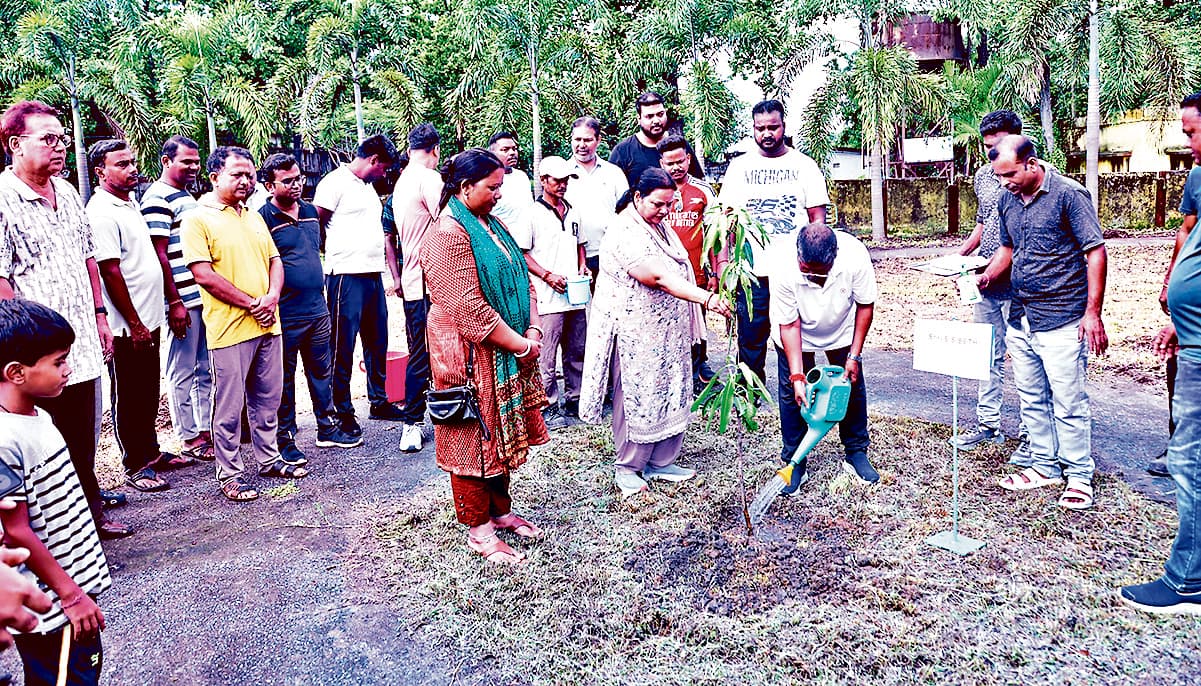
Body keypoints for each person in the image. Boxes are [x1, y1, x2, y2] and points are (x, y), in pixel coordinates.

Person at [0, 100, 130, 539]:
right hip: (36, 355)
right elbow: (2, 282)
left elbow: (88, 259)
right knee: (41, 445)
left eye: (62, 139)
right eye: (49, 139)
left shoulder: (70, 192)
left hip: (82, 343)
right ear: (16, 145)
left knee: (83, 437)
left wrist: (98, 316)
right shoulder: (3, 199)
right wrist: (23, 345)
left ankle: (90, 520)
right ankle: (52, 534)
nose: (60, 147)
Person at [421, 148, 549, 565]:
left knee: (499, 434)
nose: (498, 194)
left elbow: (522, 278)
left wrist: (530, 329)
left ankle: (501, 511)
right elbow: (468, 310)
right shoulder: (446, 234)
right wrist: (520, 345)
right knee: (472, 437)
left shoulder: (492, 224)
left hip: (507, 348)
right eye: (492, 187)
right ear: (465, 187)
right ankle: (479, 529)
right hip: (468, 358)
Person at [580, 168, 732, 497]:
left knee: (672, 390)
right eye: (658, 204)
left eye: (669, 204)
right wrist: (707, 298)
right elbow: (658, 277)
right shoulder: (624, 231)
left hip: (668, 331)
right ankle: (629, 467)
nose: (665, 211)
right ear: (637, 197)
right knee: (638, 398)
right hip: (635, 333)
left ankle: (662, 460)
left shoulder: (658, 226)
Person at [977, 135, 1108, 511]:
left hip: (1063, 317)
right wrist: (987, 276)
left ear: (1031, 164)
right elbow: (1007, 249)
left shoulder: (1069, 195)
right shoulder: (1007, 200)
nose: (1004, 183)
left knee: (1068, 402)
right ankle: (1044, 465)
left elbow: (1095, 252)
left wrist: (1092, 312)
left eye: (1010, 175)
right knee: (1032, 399)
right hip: (1021, 317)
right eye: (999, 177)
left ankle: (1079, 475)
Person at [182, 146, 308, 503]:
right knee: (229, 405)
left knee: (268, 399)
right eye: (237, 174)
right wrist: (253, 304)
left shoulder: (252, 216)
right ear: (214, 177)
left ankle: (268, 460)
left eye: (250, 174)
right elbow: (203, 275)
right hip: (229, 328)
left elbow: (275, 261)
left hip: (269, 323)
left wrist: (271, 299)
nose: (246, 180)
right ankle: (230, 474)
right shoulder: (198, 218)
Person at [0, 299, 112, 686]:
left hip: (73, 589)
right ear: (16, 373)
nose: (68, 370)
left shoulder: (38, 415)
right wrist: (71, 596)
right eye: (58, 362)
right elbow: (16, 530)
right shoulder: (4, 439)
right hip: (54, 608)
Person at [1120, 91, 1201, 614]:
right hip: (1193, 339)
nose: (1188, 144)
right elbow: (1189, 239)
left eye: (1194, 132)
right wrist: (1183, 317)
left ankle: (1187, 581)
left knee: (1190, 463)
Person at [89, 139, 186, 496]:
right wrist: (134, 322)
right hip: (126, 325)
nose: (132, 169)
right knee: (128, 392)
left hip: (147, 319)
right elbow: (110, 271)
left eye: (131, 162)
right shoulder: (101, 211)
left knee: (147, 388)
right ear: (100, 171)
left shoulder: (129, 205)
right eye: (121, 164)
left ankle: (152, 452)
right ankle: (135, 464)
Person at [259, 153, 361, 466]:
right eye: (286, 181)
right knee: (284, 377)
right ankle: (285, 436)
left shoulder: (308, 211)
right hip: (286, 314)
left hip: (318, 309)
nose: (296, 185)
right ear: (269, 185)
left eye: (298, 178)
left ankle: (326, 427)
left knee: (321, 371)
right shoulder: (262, 218)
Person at [717, 99, 830, 383]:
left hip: (794, 271)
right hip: (751, 273)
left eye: (773, 127)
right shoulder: (739, 168)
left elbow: (818, 218)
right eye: (760, 128)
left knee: (797, 338)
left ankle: (800, 391)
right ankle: (749, 394)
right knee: (750, 340)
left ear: (784, 126)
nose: (767, 134)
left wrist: (814, 265)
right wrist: (723, 264)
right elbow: (727, 221)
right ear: (753, 129)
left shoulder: (804, 166)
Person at [770, 223, 880, 488]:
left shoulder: (854, 256)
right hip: (796, 334)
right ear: (798, 254)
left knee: (851, 386)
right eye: (805, 268)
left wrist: (854, 355)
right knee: (792, 393)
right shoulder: (782, 262)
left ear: (834, 257)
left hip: (841, 329)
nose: (810, 275)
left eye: (818, 271)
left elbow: (865, 305)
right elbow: (789, 324)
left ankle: (855, 453)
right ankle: (794, 461)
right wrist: (797, 376)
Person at [950, 110, 1031, 463]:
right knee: (986, 355)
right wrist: (958, 257)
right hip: (984, 279)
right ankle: (987, 425)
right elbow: (984, 223)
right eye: (987, 148)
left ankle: (1031, 433)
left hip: (1022, 283)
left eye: (997, 144)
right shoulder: (984, 177)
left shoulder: (1033, 175)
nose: (992, 153)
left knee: (1029, 360)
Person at [314, 134, 403, 440]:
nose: (384, 174)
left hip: (372, 275)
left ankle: (379, 400)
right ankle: (342, 410)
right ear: (373, 160)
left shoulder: (367, 188)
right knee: (342, 347)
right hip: (345, 275)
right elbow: (317, 223)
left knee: (377, 341)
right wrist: (334, 255)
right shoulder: (334, 182)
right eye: (384, 168)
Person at [142, 135, 214, 463]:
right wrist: (174, 302)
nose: (193, 167)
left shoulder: (184, 196)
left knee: (203, 368)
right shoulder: (157, 197)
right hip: (182, 300)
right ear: (166, 161)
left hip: (200, 297)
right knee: (182, 369)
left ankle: (203, 430)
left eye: (196, 162)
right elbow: (159, 254)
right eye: (186, 161)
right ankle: (188, 437)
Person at [1146, 96, 1201, 478]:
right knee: (1178, 365)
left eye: (1192, 133)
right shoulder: (1198, 174)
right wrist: (1172, 282)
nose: (1188, 143)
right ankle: (1179, 443)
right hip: (1191, 317)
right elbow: (1187, 229)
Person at [512, 156, 587, 429]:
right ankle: (548, 404)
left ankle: (576, 397)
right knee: (546, 354)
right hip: (547, 295)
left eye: (566, 180)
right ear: (543, 180)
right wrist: (547, 275)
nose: (563, 185)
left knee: (577, 347)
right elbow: (521, 253)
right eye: (557, 180)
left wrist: (581, 266)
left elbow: (580, 243)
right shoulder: (532, 213)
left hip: (574, 293)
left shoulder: (573, 210)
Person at [390, 123, 443, 453]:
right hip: (430, 283)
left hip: (415, 282)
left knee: (421, 353)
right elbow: (449, 221)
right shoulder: (428, 179)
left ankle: (422, 420)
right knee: (425, 355)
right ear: (435, 150)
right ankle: (411, 424)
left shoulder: (402, 182)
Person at [658, 135, 718, 388]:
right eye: (669, 163)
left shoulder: (703, 191)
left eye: (680, 161)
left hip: (697, 274)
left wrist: (715, 273)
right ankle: (669, 377)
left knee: (697, 324)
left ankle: (698, 373)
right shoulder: (654, 190)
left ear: (688, 159)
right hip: (661, 276)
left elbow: (716, 234)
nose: (676, 167)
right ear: (661, 163)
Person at [563, 116, 627, 282]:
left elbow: (626, 213)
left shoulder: (613, 173)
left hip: (609, 254)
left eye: (588, 140)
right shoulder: (561, 173)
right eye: (577, 139)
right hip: (572, 256)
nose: (582, 145)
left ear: (598, 140)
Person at [487, 131, 533, 233]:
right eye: (505, 150)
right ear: (492, 154)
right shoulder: (487, 181)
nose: (512, 153)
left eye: (514, 149)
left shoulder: (522, 177)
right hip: (503, 242)